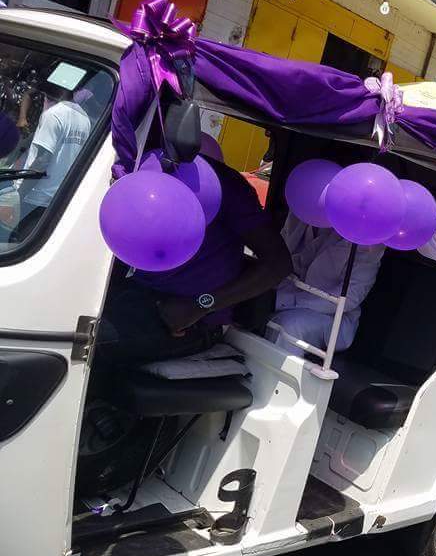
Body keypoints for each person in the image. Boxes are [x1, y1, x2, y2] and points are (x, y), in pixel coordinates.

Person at [95, 158, 293, 367]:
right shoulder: (134, 167)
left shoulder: (221, 184)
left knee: (84, 342)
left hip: (190, 319)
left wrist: (199, 305)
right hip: (135, 292)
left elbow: (278, 264)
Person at [270, 218, 383, 354]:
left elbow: (350, 297)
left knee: (289, 325)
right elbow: (279, 255)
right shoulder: (301, 209)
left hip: (331, 315)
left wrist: (283, 301)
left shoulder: (370, 237)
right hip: (282, 291)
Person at [14, 84, 90, 241]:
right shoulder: (84, 118)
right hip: (56, 198)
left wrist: (19, 195)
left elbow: (42, 161)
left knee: (15, 244)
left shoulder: (53, 115)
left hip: (34, 196)